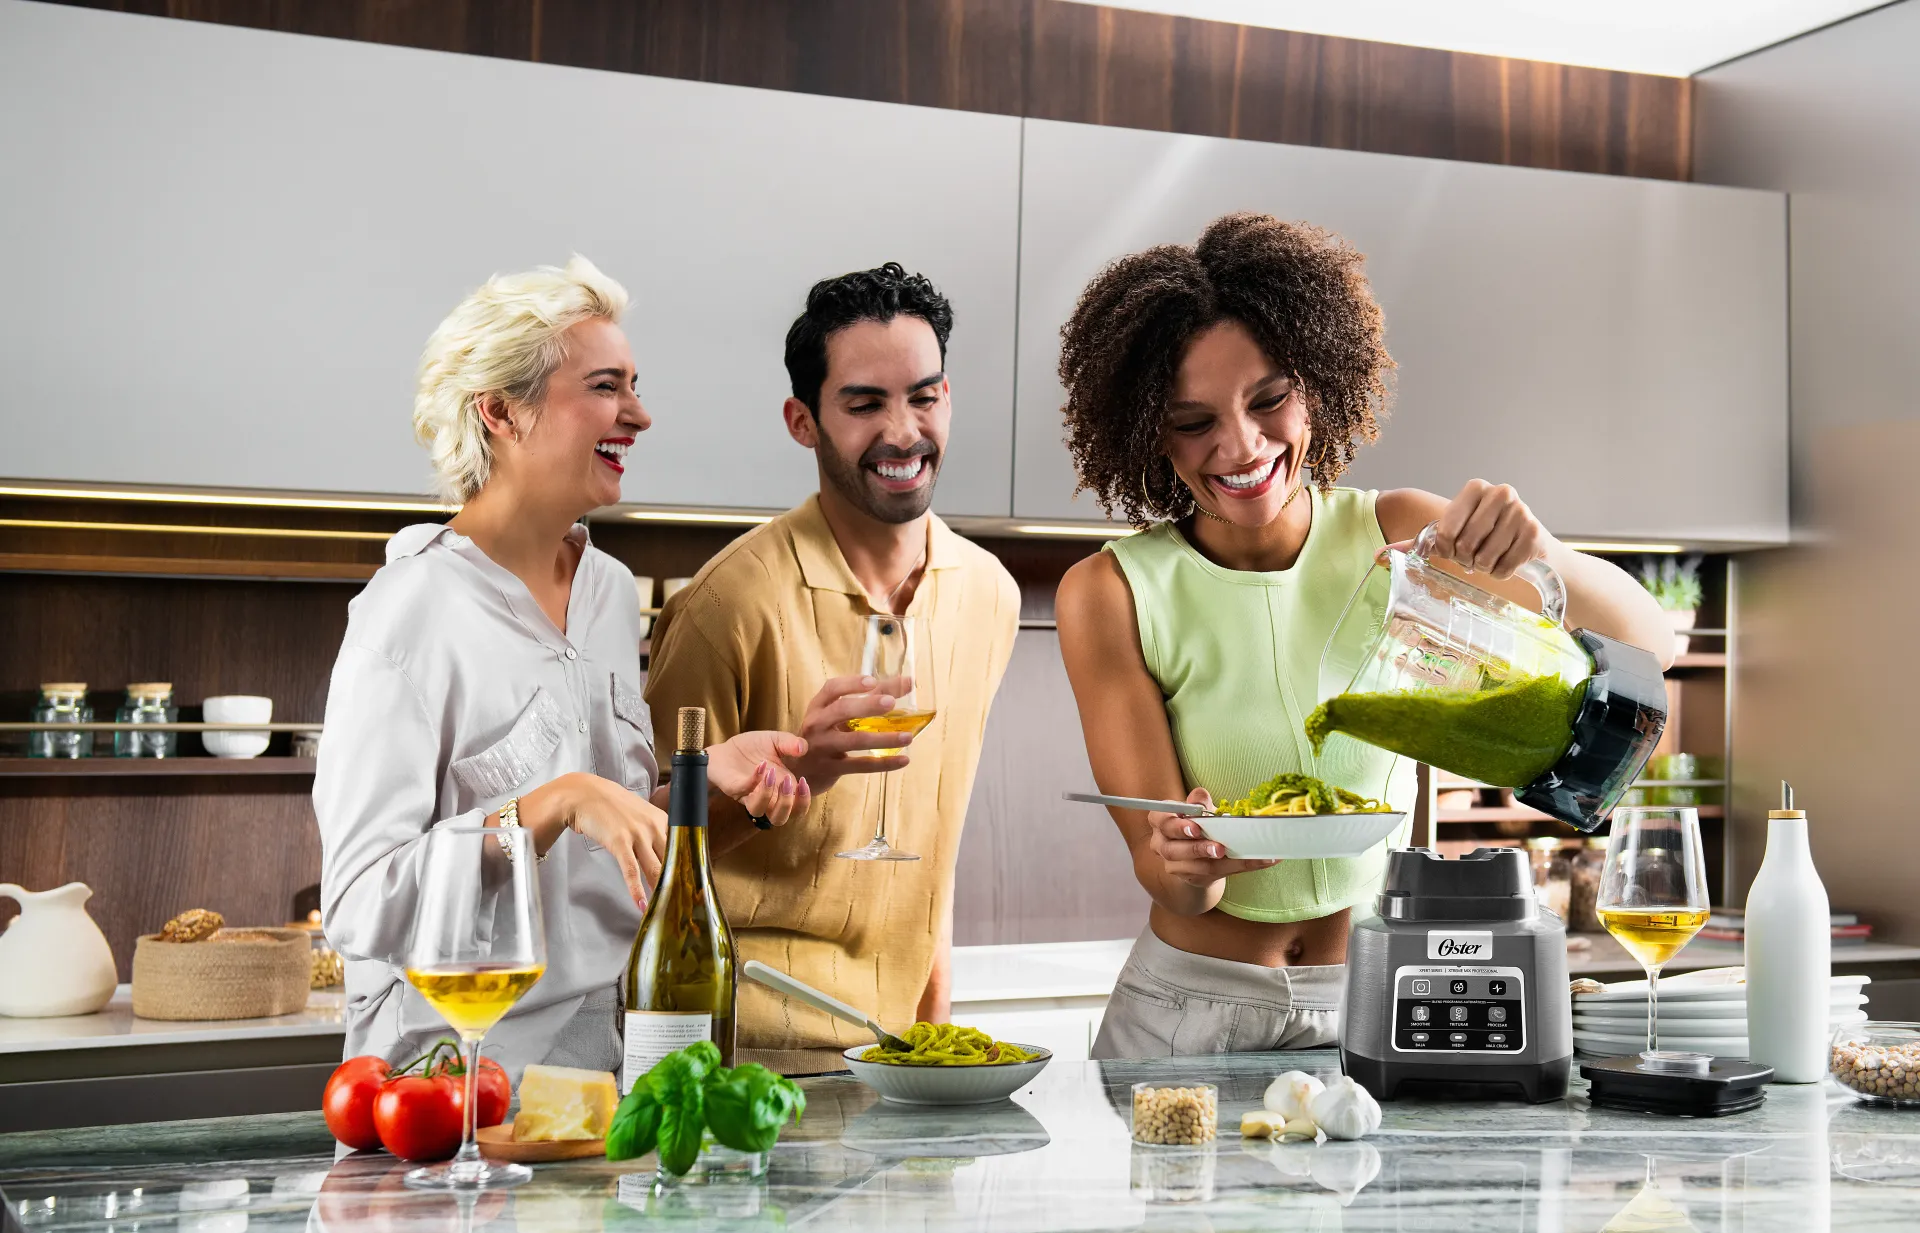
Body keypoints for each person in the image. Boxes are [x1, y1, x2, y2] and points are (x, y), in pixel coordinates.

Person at [1053, 214, 1673, 1058]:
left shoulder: (1406, 534)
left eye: (1268, 399)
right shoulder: (1111, 592)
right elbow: (1168, 878)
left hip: (1381, 990)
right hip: (1188, 1010)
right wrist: (1184, 862)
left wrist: (1539, 553)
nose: (1240, 445)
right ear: (1146, 432)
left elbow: (1649, 640)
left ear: (1316, 382)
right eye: (1192, 420)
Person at [315, 257, 809, 1080]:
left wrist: (704, 779)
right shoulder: (409, 611)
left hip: (599, 1068)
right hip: (445, 1079)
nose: (640, 415)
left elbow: (592, 840)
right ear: (503, 412)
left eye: (635, 385)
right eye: (607, 387)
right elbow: (362, 901)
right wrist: (557, 800)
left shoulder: (610, 591)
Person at [644, 263, 1020, 1074]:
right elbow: (651, 852)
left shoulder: (989, 595)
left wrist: (934, 1038)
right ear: (802, 421)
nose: (903, 431)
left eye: (924, 396)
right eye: (864, 404)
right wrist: (794, 777)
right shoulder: (726, 603)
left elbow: (935, 848)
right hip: (740, 1046)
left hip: (894, 1055)